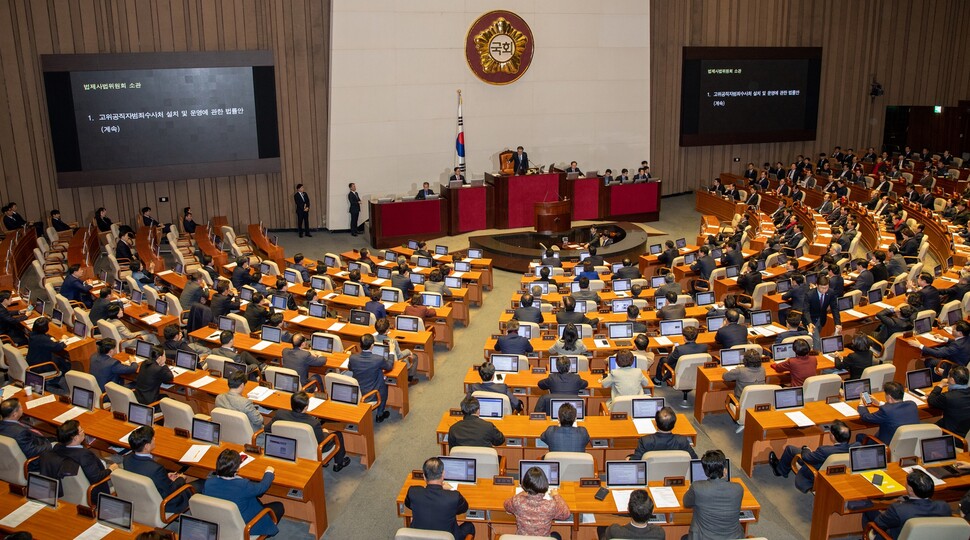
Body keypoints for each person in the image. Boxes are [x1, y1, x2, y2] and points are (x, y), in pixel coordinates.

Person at [204, 449, 283, 537]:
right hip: (246, 528)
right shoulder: (243, 486)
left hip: (220, 523)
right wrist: (269, 472)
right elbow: (263, 487)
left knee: (254, 498)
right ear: (237, 468)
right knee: (278, 506)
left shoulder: (209, 483)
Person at [267, 391, 351, 471]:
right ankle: (339, 463)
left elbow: (267, 429)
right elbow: (320, 442)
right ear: (306, 407)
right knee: (337, 435)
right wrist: (325, 432)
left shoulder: (280, 414)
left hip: (287, 448)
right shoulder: (313, 423)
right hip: (312, 451)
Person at [124, 426, 200, 513]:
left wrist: (165, 476)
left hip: (141, 497)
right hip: (166, 503)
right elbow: (171, 490)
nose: (154, 439)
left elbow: (147, 476)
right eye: (152, 438)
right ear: (147, 446)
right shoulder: (156, 469)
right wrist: (181, 479)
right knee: (201, 484)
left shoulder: (127, 459)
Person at [39, 419, 117, 501]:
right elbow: (96, 477)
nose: (83, 431)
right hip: (95, 489)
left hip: (71, 489)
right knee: (120, 469)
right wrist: (111, 469)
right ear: (75, 438)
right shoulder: (84, 455)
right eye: (81, 430)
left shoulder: (57, 447)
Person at [769, 420, 855, 493]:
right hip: (838, 475)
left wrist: (806, 449)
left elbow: (807, 458)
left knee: (790, 449)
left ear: (832, 436)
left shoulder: (824, 451)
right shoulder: (855, 447)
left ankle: (779, 470)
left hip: (814, 472)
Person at [861, 469, 951, 538]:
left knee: (868, 510)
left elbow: (879, 524)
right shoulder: (944, 506)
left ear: (911, 490)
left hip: (897, 537)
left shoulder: (898, 510)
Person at [404, 457, 476, 539]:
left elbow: (408, 505)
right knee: (470, 526)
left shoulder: (413, 492)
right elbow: (464, 508)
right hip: (448, 537)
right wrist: (452, 489)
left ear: (424, 476)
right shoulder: (454, 497)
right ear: (443, 474)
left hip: (420, 537)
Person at [682, 449, 743, 540]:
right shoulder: (738, 489)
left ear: (706, 472)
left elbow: (686, 503)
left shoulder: (697, 487)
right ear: (724, 470)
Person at [504, 466, 570, 539]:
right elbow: (566, 514)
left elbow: (506, 505)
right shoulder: (551, 505)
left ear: (525, 484)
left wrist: (521, 493)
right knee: (556, 535)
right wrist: (556, 495)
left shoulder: (517, 501)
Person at [348, 334, 394, 423]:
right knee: (384, 382)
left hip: (358, 390)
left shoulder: (353, 357)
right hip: (372, 393)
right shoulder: (378, 359)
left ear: (360, 345)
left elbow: (350, 368)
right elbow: (389, 366)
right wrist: (391, 351)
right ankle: (380, 414)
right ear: (372, 345)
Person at [629, 406, 697, 459]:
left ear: (656, 423)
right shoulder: (682, 441)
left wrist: (629, 458)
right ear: (674, 424)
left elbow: (636, 461)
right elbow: (694, 459)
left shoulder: (645, 441)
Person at [0, 398, 52, 466]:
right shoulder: (20, 433)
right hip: (32, 462)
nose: (22, 408)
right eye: (20, 407)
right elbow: (32, 452)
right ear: (15, 414)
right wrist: (49, 445)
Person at [598, 488, 665, 539]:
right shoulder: (659, 533)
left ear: (628, 510)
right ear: (652, 511)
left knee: (600, 528)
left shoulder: (614, 531)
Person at [26, 317, 69, 391]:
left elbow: (46, 339)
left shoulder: (32, 334)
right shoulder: (42, 339)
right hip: (41, 366)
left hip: (33, 361)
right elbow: (58, 347)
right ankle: (55, 381)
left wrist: (50, 338)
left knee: (59, 359)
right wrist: (64, 339)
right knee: (66, 364)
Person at [926, 365, 970, 436]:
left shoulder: (948, 397)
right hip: (964, 430)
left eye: (948, 376)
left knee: (924, 431)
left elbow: (931, 401)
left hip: (950, 434)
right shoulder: (951, 395)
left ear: (952, 380)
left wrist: (940, 385)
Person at [805, 276, 841, 350]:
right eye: (822, 288)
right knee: (817, 342)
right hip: (811, 320)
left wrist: (837, 323)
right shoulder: (810, 295)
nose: (824, 290)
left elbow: (834, 308)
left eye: (826, 288)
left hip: (822, 319)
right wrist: (809, 322)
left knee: (816, 339)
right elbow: (806, 310)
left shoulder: (830, 293)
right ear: (817, 285)